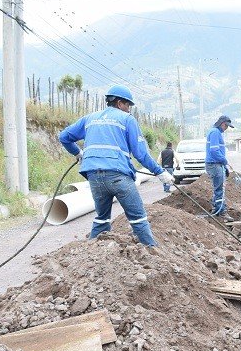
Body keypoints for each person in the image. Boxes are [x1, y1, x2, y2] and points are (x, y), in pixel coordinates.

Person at [58, 85, 174, 246]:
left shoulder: (89, 119)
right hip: (118, 176)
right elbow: (140, 154)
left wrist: (78, 153)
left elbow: (64, 137)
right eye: (128, 106)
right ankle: (154, 253)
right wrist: (160, 173)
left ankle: (90, 255)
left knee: (102, 218)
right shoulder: (127, 119)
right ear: (120, 103)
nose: (129, 110)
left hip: (94, 177)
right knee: (138, 218)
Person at [205, 115, 234, 219]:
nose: (226, 129)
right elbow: (214, 150)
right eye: (226, 126)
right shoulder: (215, 133)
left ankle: (216, 208)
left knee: (217, 187)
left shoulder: (215, 132)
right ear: (222, 124)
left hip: (216, 164)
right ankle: (221, 211)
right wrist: (223, 160)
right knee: (219, 189)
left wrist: (224, 165)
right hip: (214, 164)